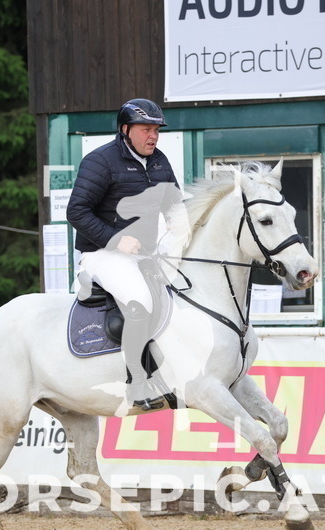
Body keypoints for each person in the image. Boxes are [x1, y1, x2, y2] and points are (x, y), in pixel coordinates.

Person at [67, 98, 188, 411]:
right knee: (140, 301)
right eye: (146, 129)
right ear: (125, 130)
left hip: (142, 255)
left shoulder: (159, 161)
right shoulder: (101, 161)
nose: (153, 136)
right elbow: (77, 211)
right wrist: (115, 240)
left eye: (156, 130)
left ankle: (168, 374)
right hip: (101, 254)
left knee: (179, 297)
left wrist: (179, 223)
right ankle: (136, 384)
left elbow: (174, 204)